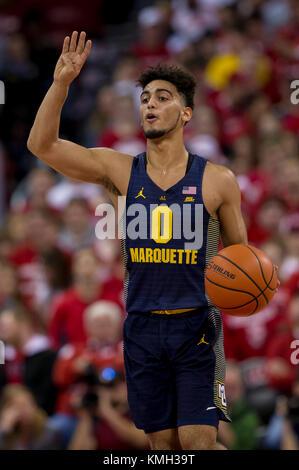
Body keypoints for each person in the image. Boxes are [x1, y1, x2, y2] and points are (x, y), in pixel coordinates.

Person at [28, 31, 260, 450]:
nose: (150, 104)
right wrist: (61, 83)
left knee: (198, 445)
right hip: (141, 327)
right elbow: (41, 145)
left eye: (162, 97)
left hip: (197, 328)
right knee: (162, 449)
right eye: (145, 98)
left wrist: (249, 285)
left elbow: (240, 262)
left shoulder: (217, 180)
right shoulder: (119, 169)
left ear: (187, 112)